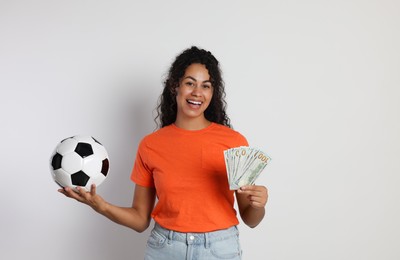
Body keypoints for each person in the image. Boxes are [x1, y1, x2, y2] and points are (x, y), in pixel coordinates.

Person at [59, 46, 268, 260]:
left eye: (206, 86)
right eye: (189, 83)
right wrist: (100, 205)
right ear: (174, 86)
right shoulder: (151, 145)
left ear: (213, 93)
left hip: (219, 250)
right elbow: (140, 220)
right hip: (165, 249)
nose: (197, 92)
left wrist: (258, 204)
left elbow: (251, 219)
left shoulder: (234, 142)